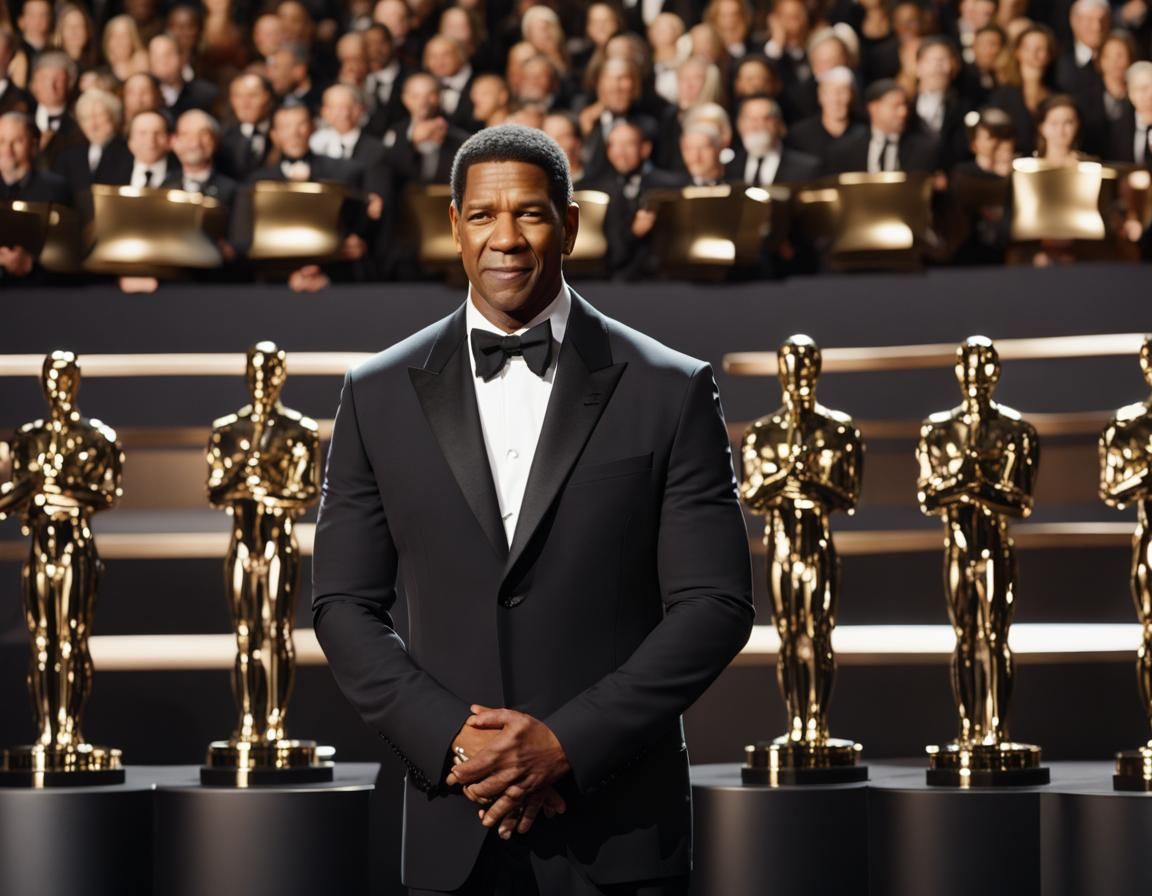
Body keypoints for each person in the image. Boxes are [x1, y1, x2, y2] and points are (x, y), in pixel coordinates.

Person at [312, 123, 754, 895]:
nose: (506, 239)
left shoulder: (670, 387)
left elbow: (714, 604)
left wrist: (564, 744)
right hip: (456, 825)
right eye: (483, 216)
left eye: (531, 214)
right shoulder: (375, 394)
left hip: (620, 832)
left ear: (572, 224)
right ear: (454, 228)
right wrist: (458, 743)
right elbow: (343, 607)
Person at [916, 337, 1038, 752]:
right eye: (969, 366)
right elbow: (926, 498)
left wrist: (968, 485)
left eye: (985, 365)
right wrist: (971, 484)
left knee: (995, 636)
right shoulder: (938, 430)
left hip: (995, 547)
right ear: (958, 372)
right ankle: (969, 730)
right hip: (958, 546)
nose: (976, 375)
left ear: (996, 372)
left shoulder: (1016, 431)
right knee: (965, 638)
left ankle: (997, 731)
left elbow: (1021, 501)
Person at [207, 341, 321, 745]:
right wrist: (247, 478)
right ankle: (246, 722)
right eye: (256, 371)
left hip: (278, 540)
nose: (262, 380)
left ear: (281, 376)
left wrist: (264, 490)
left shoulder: (299, 432)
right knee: (245, 636)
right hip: (242, 541)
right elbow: (215, 491)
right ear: (246, 375)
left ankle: (274, 723)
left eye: (270, 372)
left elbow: (307, 493)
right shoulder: (226, 431)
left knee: (277, 632)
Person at [826, 78, 938, 174]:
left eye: (904, 105)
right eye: (895, 106)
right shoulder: (846, 149)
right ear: (874, 108)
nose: (903, 112)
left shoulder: (923, 151)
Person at [727, 94, 820, 185]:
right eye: (752, 119)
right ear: (739, 125)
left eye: (766, 119)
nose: (759, 126)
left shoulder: (806, 169)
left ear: (779, 125)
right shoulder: (728, 169)